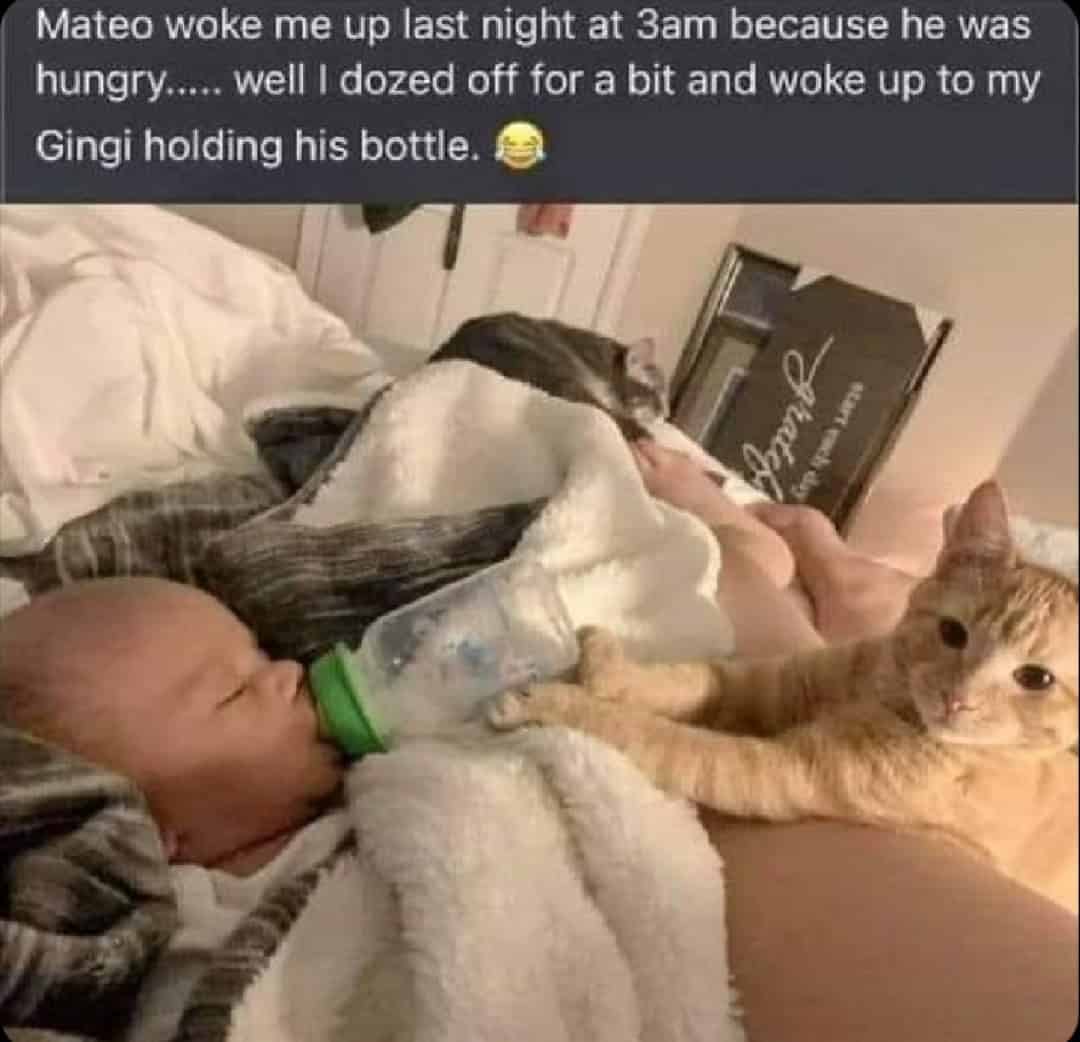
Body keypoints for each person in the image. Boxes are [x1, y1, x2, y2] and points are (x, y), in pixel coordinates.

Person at [0, 483, 1075, 1042]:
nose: (287, 668)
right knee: (804, 653)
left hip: (762, 755)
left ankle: (791, 557)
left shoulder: (361, 755)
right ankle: (804, 567)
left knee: (772, 624)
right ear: (155, 830)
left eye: (259, 651)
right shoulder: (196, 920)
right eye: (239, 689)